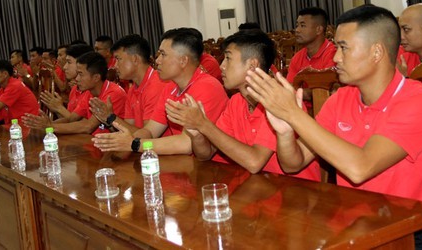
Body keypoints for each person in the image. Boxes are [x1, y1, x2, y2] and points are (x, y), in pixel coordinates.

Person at [245, 4, 422, 247]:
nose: (335, 57)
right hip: (356, 223)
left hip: (414, 231)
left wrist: (293, 114)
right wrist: (286, 132)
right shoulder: (341, 98)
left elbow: (360, 167)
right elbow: (293, 163)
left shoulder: (418, 101)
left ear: (377, 52)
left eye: (343, 48)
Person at [164, 30, 320, 180]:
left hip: (295, 191)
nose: (221, 66)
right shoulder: (236, 102)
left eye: (228, 58)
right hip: (258, 188)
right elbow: (206, 154)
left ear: (252, 65)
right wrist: (197, 134)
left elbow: (254, 162)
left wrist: (204, 124)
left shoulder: (278, 100)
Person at [92, 28, 228, 155]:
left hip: (216, 167)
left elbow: (186, 144)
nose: (157, 60)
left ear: (183, 60)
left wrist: (135, 144)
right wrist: (122, 140)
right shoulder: (170, 87)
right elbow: (150, 131)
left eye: (163, 54)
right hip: (181, 162)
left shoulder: (207, 87)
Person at [23, 52, 126, 135]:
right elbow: (72, 119)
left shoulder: (113, 93)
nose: (77, 79)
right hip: (93, 142)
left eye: (81, 74)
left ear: (96, 77)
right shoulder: (88, 92)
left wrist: (50, 127)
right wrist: (44, 124)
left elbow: (88, 127)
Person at [90, 34, 167, 129]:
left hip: (152, 144)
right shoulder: (133, 89)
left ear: (134, 59)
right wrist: (108, 120)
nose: (115, 66)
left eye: (118, 59)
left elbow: (148, 138)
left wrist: (111, 117)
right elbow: (128, 130)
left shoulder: (156, 85)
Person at [34, 44, 93, 121]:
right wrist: (55, 111)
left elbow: (83, 125)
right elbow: (68, 121)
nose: (65, 67)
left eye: (69, 62)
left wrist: (59, 108)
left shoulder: (91, 91)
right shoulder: (75, 88)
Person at [286, 7, 336, 83]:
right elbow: (290, 87)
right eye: (297, 25)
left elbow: (325, 88)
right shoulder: (297, 58)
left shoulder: (333, 54)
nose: (297, 30)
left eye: (303, 26)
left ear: (318, 30)